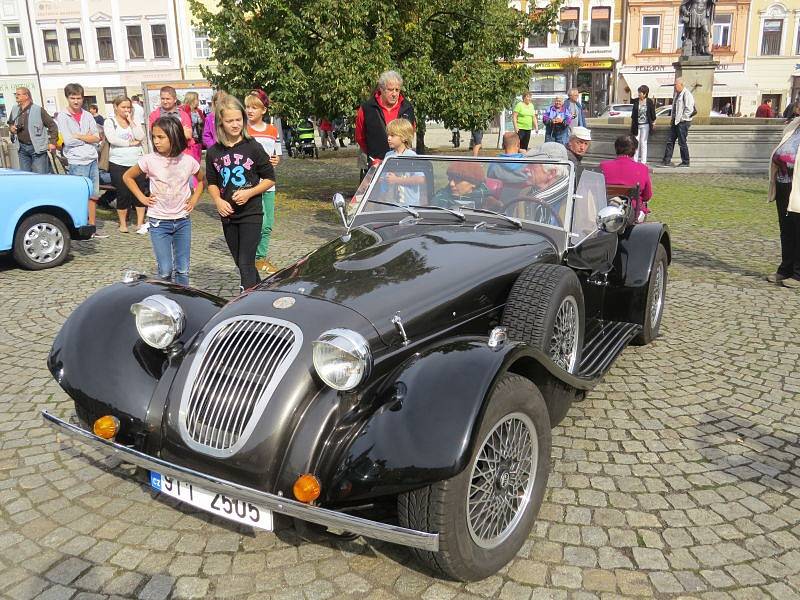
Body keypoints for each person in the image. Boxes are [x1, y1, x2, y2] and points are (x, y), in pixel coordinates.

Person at [206, 96, 276, 291]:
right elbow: (211, 182)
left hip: (251, 213)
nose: (235, 124)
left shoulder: (252, 146)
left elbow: (270, 178)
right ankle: (261, 291)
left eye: (239, 120)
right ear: (221, 123)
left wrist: (249, 193)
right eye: (230, 121)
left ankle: (248, 303)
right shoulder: (213, 152)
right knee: (241, 262)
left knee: (246, 262)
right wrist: (218, 201)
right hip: (228, 215)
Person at [123, 117, 203, 285]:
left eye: (161, 137)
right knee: (165, 270)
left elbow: (202, 180)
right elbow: (127, 176)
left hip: (182, 221)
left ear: (174, 137)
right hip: (159, 222)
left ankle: (183, 299)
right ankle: (166, 299)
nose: (156, 141)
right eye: (154, 137)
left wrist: (194, 198)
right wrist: (142, 198)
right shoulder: (149, 160)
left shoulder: (188, 161)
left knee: (183, 269)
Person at [56, 83, 106, 237]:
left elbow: (97, 137)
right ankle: (80, 227)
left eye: (79, 98)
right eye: (73, 98)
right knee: (79, 195)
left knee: (93, 194)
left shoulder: (88, 115)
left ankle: (92, 226)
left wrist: (80, 136)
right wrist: (86, 138)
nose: (76, 101)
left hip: (91, 158)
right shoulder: (63, 116)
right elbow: (69, 141)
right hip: (77, 160)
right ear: (67, 98)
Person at [245, 90, 282, 275]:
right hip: (250, 186)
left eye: (254, 107)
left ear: (264, 110)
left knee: (268, 224)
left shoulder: (272, 130)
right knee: (255, 223)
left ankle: (260, 257)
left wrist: (275, 160)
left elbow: (276, 155)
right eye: (248, 107)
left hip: (268, 184)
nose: (250, 110)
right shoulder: (244, 131)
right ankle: (249, 256)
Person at [766, 116, 800, 288]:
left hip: (798, 186)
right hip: (783, 184)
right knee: (786, 229)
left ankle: (798, 274)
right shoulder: (793, 125)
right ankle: (785, 268)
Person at [104, 96, 147, 233]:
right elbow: (112, 139)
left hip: (136, 162)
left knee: (139, 191)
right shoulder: (110, 121)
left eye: (129, 107)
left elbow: (140, 136)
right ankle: (123, 223)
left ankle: (140, 222)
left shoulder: (134, 121)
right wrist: (129, 143)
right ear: (116, 107)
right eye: (123, 107)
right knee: (123, 193)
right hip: (118, 162)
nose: (127, 110)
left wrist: (131, 121)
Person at [355, 71, 416, 166]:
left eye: (397, 90)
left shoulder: (407, 108)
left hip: (402, 165)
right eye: (390, 90)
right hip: (375, 164)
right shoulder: (367, 108)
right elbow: (360, 137)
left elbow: (410, 134)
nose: (394, 94)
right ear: (381, 89)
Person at [600, 135, 653, 223]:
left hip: (606, 209)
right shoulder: (642, 168)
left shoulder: (603, 166)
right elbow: (647, 196)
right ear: (635, 150)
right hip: (632, 213)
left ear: (616, 148)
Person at [7, 87, 58, 174]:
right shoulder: (15, 109)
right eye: (16, 94)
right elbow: (10, 123)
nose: (16, 96)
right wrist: (11, 128)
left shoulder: (38, 109)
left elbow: (52, 126)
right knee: (26, 175)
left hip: (37, 148)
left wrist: (52, 142)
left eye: (19, 94)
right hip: (21, 148)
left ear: (26, 96)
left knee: (40, 174)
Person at [382, 118, 423, 205]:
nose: (388, 138)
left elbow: (420, 179)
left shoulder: (411, 156)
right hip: (391, 205)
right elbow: (384, 178)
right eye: (388, 135)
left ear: (404, 137)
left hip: (409, 206)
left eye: (392, 135)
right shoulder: (388, 156)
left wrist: (397, 180)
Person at [148, 86, 194, 157]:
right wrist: (180, 131)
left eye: (168, 99)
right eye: (163, 99)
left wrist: (165, 134)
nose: (165, 101)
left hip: (182, 154)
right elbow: (154, 135)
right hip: (162, 156)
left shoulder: (183, 115)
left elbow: (188, 135)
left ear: (175, 99)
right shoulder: (154, 115)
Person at [662, 78, 694, 167]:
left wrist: (682, 119)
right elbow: (674, 108)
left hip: (682, 122)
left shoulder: (687, 94)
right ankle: (666, 160)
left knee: (682, 142)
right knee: (670, 140)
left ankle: (686, 161)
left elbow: (689, 109)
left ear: (681, 85)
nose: (674, 87)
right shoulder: (677, 94)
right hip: (675, 121)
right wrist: (673, 118)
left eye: (676, 85)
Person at [630, 85, 656, 164]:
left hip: (645, 125)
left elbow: (652, 114)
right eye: (639, 92)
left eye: (640, 93)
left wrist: (654, 122)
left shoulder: (649, 102)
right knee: (636, 143)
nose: (639, 94)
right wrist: (632, 125)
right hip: (637, 125)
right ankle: (635, 160)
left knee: (643, 142)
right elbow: (633, 114)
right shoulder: (636, 101)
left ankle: (643, 161)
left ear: (645, 94)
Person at [180, 91, 205, 165]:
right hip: (188, 142)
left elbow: (203, 123)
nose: (198, 101)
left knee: (197, 162)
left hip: (198, 140)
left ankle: (196, 177)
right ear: (192, 99)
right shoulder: (183, 110)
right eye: (197, 99)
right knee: (190, 163)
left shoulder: (199, 111)